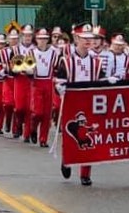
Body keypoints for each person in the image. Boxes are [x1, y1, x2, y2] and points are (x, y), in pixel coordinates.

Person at [55, 23, 107, 186]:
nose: (88, 41)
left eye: (90, 38)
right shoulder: (66, 61)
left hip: (89, 103)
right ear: (76, 38)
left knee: (88, 137)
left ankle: (85, 173)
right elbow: (59, 83)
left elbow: (102, 82)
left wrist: (110, 84)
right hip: (71, 103)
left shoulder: (97, 63)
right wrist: (60, 89)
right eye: (84, 38)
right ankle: (67, 159)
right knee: (70, 135)